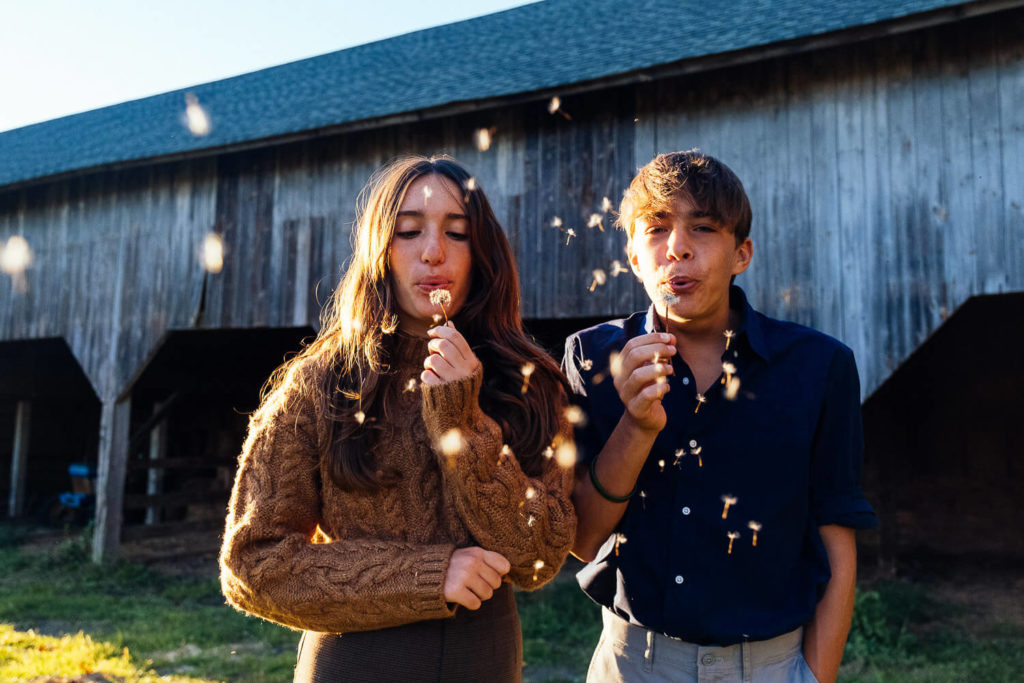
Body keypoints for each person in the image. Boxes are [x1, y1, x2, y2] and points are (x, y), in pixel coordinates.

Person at [220, 155, 576, 683]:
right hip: (352, 666)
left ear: (482, 252)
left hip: (483, 665)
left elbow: (540, 558)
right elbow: (253, 565)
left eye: (457, 234)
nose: (433, 252)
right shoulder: (317, 384)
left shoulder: (532, 383)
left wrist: (461, 425)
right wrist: (428, 577)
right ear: (379, 249)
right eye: (408, 231)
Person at [563, 150, 877, 683]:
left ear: (742, 253)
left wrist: (815, 676)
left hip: (770, 666)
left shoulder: (819, 366)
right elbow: (582, 538)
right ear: (635, 258)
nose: (677, 247)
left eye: (703, 228)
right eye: (656, 229)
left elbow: (836, 540)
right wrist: (636, 427)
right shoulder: (592, 358)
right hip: (633, 663)